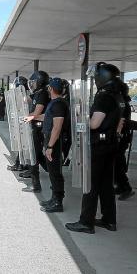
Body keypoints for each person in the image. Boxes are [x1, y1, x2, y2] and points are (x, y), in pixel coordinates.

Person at [66, 62, 122, 234]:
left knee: (90, 184)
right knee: (106, 184)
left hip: (98, 146)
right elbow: (119, 122)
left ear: (102, 77)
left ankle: (86, 222)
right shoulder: (117, 96)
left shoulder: (103, 97)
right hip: (111, 145)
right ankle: (109, 220)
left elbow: (95, 123)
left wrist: (80, 118)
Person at [26, 78, 69, 212]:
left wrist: (50, 147)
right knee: (52, 172)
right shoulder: (55, 103)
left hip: (54, 142)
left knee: (55, 173)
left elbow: (57, 127)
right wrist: (31, 117)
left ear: (51, 88)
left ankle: (58, 202)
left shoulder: (58, 104)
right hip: (51, 140)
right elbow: (47, 116)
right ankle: (54, 199)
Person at [21, 71, 50, 192]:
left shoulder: (42, 94)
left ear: (39, 82)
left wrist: (27, 116)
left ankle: (35, 184)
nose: (32, 85)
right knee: (37, 155)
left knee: (35, 156)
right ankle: (50, 169)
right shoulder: (38, 93)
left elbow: (37, 113)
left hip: (39, 128)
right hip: (36, 128)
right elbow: (25, 99)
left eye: (33, 82)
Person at [114, 80, 135, 201]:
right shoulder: (123, 102)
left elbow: (121, 121)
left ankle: (126, 188)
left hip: (121, 137)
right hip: (122, 136)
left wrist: (117, 135)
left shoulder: (122, 103)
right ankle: (121, 186)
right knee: (117, 162)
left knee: (118, 163)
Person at [7, 76, 30, 172]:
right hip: (22, 123)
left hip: (25, 124)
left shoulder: (25, 96)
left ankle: (21, 164)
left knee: (24, 146)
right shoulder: (24, 95)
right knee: (22, 146)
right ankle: (21, 163)